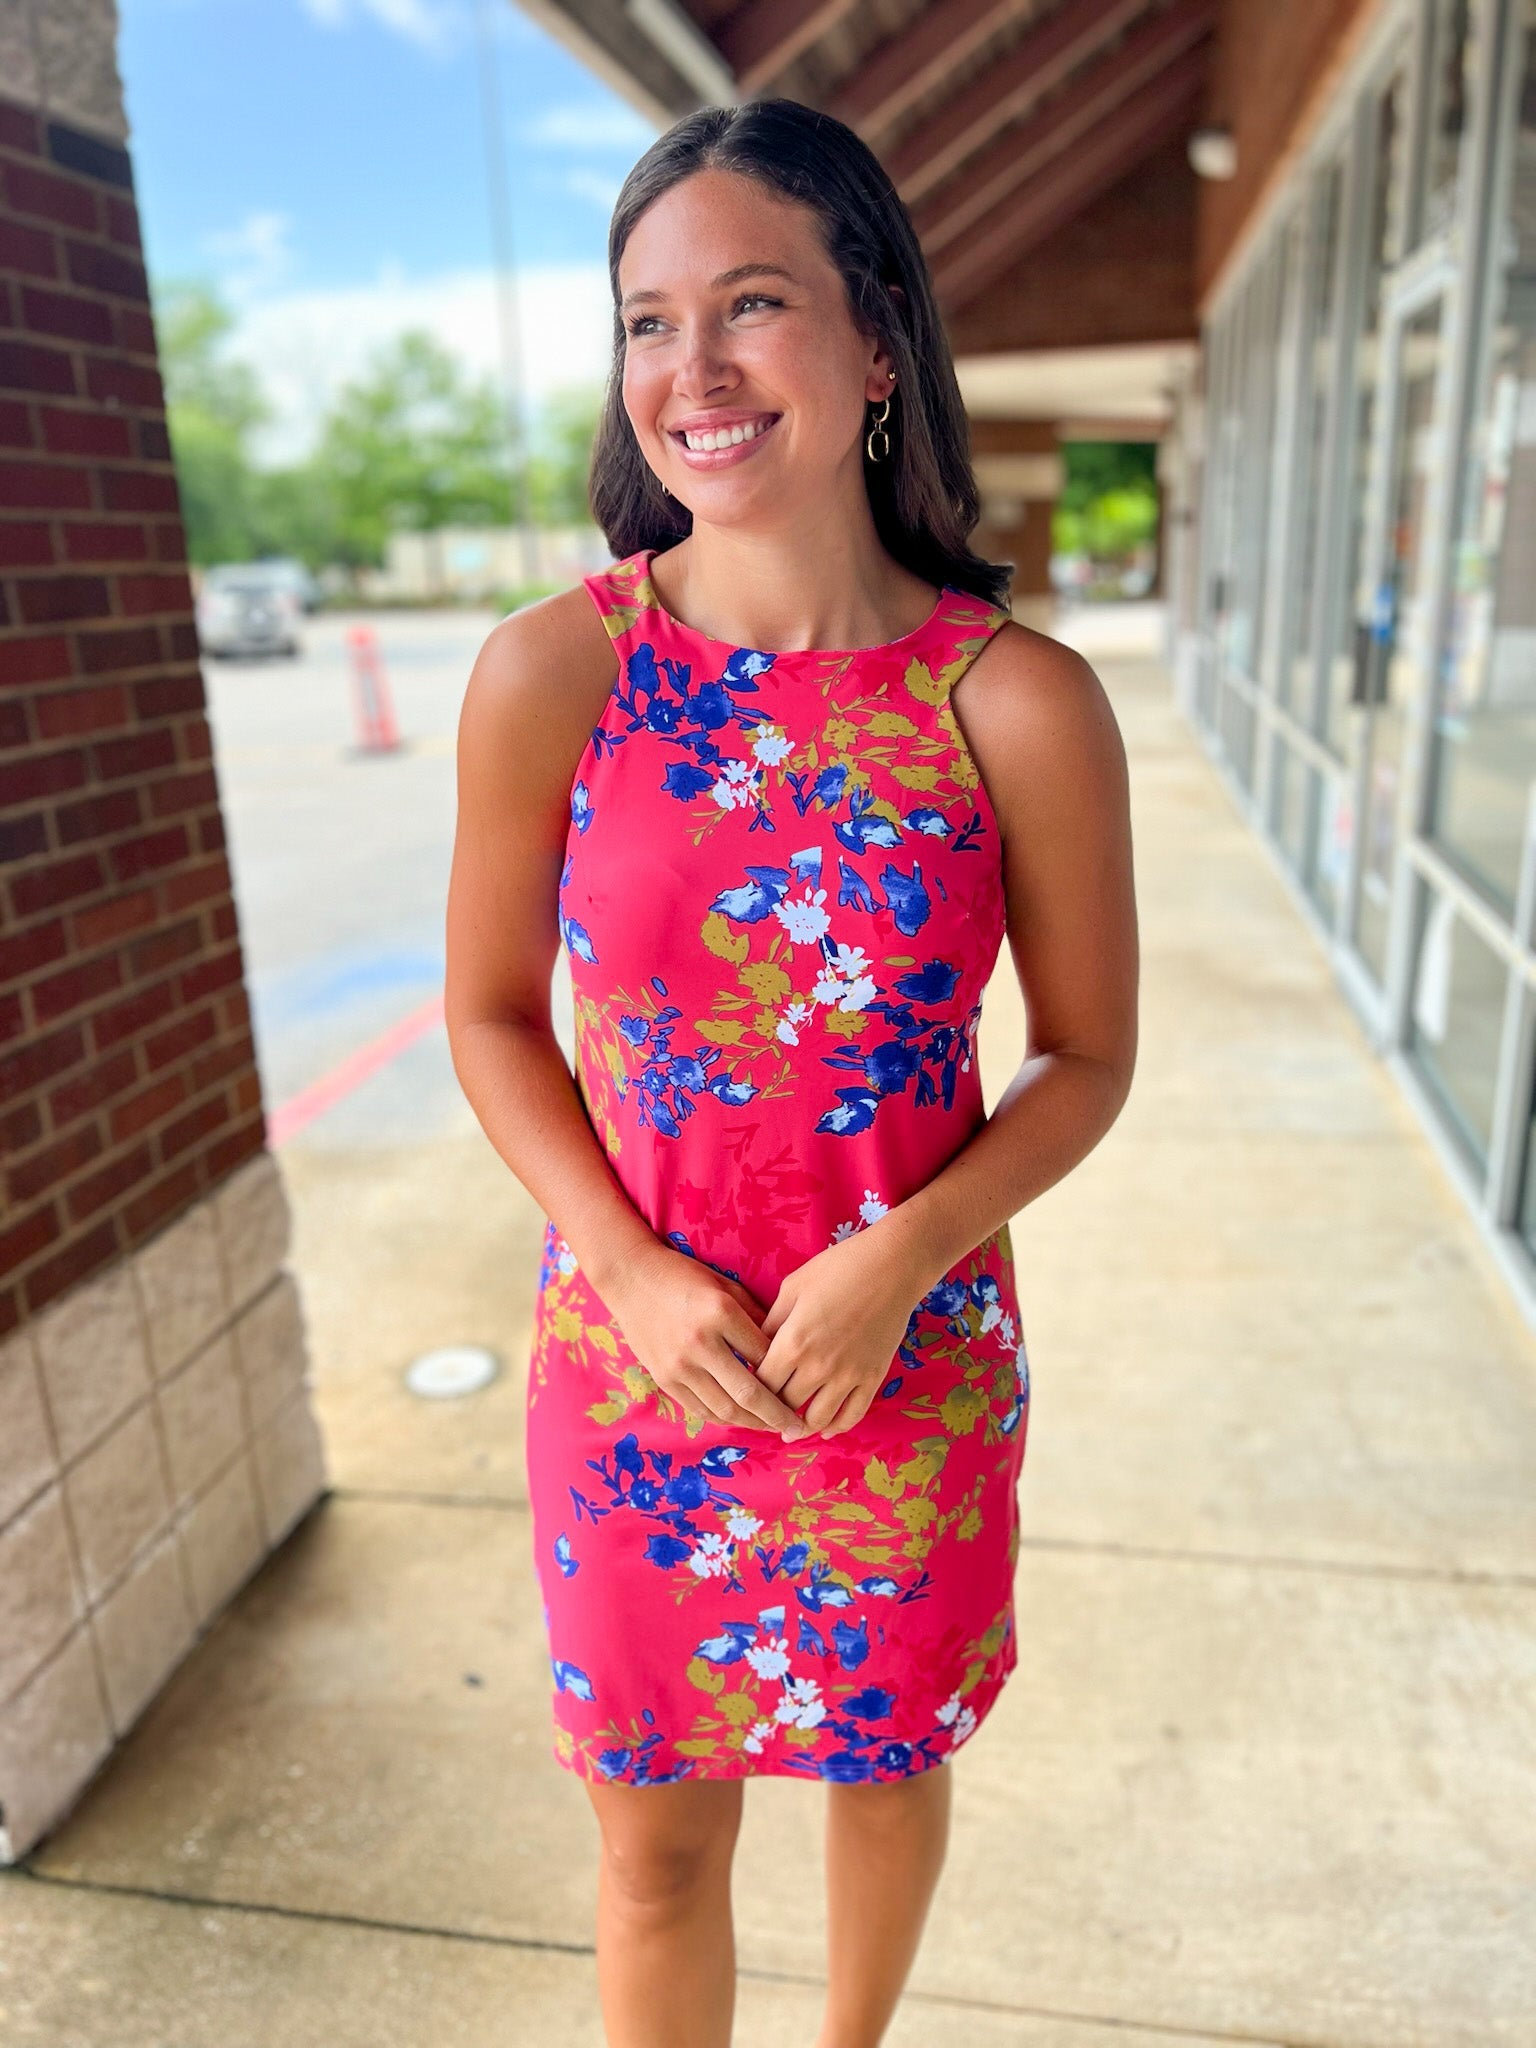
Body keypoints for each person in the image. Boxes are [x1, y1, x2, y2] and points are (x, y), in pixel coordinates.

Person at [445, 96, 1138, 2048]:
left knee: (881, 1766)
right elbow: (494, 1018)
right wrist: (631, 1267)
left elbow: (1087, 1059)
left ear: (874, 345)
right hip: (634, 1364)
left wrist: (906, 1252)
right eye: (648, 321)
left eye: (752, 303)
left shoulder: (1016, 702)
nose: (696, 368)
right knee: (651, 1854)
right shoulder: (553, 675)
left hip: (901, 1367)